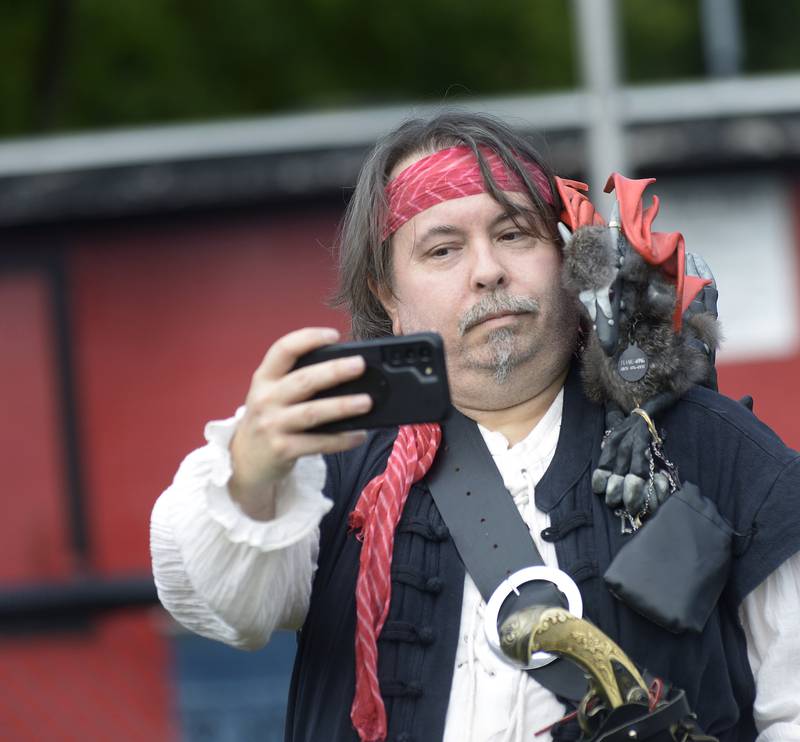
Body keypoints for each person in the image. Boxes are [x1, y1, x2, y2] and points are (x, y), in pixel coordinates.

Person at [150, 111, 800, 742]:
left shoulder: (718, 450)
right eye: (443, 248)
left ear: (569, 258)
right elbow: (221, 604)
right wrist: (252, 473)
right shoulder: (326, 460)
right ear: (386, 294)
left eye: (515, 234)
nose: (487, 269)